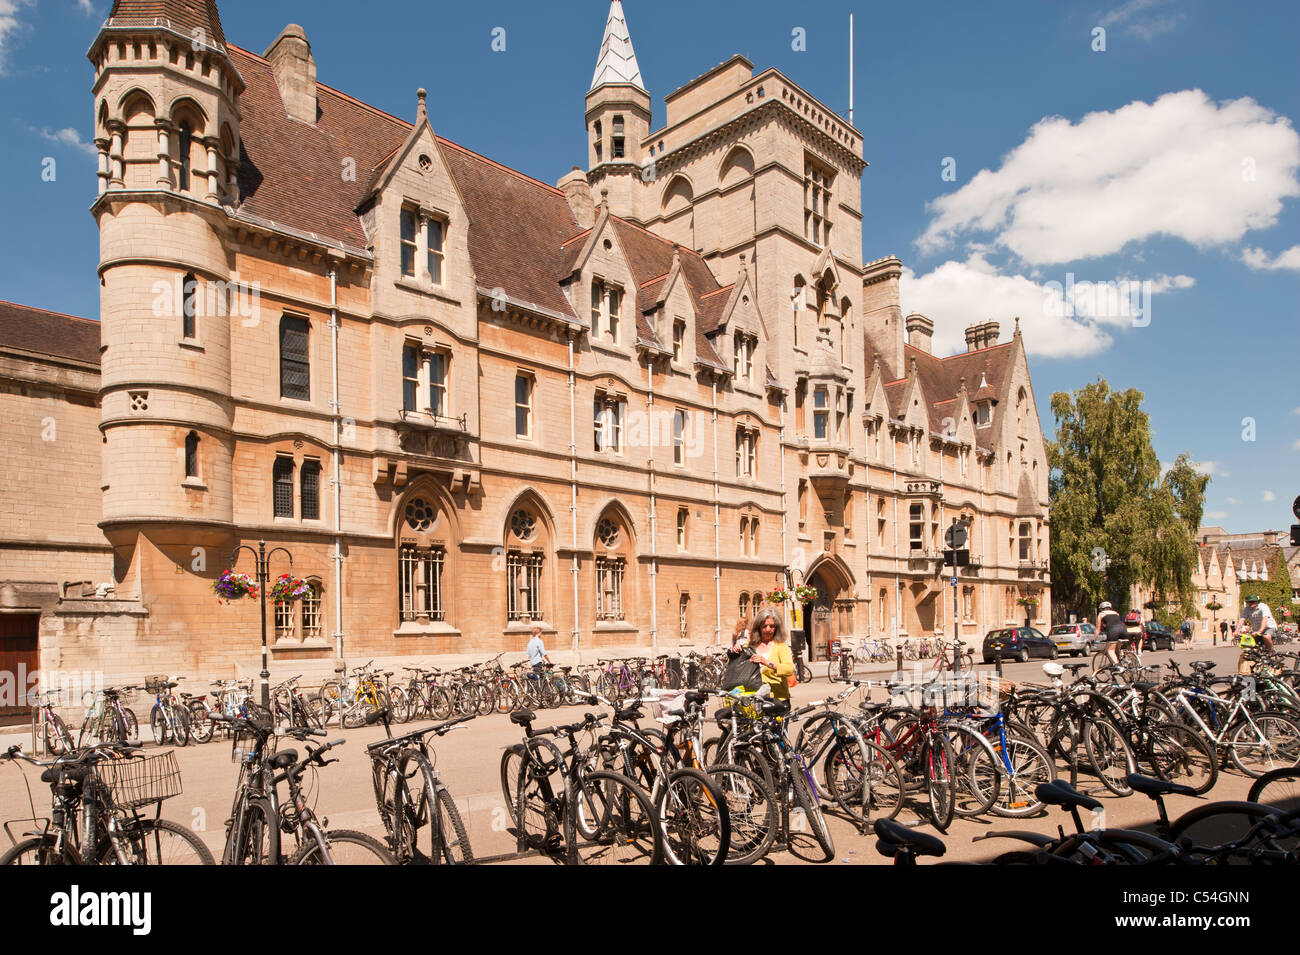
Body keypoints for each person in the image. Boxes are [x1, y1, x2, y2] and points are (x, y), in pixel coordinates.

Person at [748, 609, 796, 702]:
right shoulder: (750, 646)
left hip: (778, 699)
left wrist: (766, 662)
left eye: (772, 626)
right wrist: (735, 652)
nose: (768, 629)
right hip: (755, 699)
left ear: (777, 628)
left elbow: (789, 669)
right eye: (764, 626)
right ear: (758, 627)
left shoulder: (781, 646)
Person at [1095, 601, 1128, 666]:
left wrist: (1094, 639)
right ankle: (1123, 660)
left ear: (1102, 608)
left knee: (1110, 650)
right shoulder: (1116, 613)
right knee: (1117, 649)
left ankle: (1119, 667)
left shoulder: (1101, 614)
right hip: (1123, 629)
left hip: (1113, 631)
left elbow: (1098, 629)